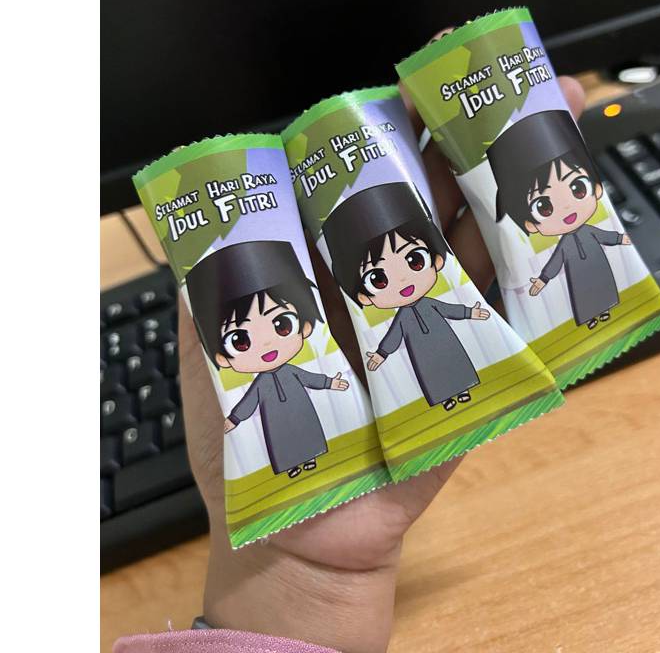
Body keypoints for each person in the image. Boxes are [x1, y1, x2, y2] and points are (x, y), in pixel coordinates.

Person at [113, 49, 587, 653]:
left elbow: (415, 324)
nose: (265, 343)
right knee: (301, 435)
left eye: (416, 259)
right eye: (240, 339)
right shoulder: (271, 375)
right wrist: (299, 568)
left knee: (444, 371)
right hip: (295, 429)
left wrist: (461, 314)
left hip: (439, 345)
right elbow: (272, 395)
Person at [185, 240, 350, 479]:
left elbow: (309, 378)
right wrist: (234, 419)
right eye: (240, 340)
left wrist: (330, 383)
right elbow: (249, 402)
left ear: (304, 327)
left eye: (281, 325)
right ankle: (291, 465)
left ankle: (311, 456)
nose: (266, 344)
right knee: (282, 439)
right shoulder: (261, 384)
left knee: (306, 429)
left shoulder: (292, 371)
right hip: (275, 419)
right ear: (222, 358)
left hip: (300, 408)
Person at [322, 183, 490, 412]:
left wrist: (471, 312)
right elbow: (393, 336)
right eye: (378, 279)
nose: (402, 280)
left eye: (414, 260)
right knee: (430, 373)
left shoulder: (430, 304)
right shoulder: (402, 318)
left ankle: (464, 389)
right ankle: (445, 399)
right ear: (364, 297)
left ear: (437, 260)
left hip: (446, 342)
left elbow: (449, 309)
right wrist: (381, 354)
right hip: (422, 354)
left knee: (456, 362)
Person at [487, 109, 631, 330]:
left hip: (599, 267)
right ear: (530, 224)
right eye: (544, 207)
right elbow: (555, 262)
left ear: (597, 189)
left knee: (603, 286)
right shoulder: (565, 244)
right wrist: (543, 279)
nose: (566, 207)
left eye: (577, 188)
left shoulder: (589, 231)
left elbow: (605, 236)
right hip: (578, 276)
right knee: (582, 293)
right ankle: (590, 317)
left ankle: (605, 309)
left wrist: (620, 239)